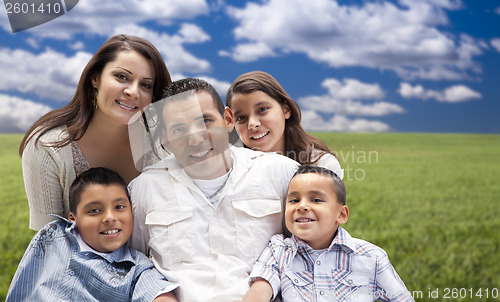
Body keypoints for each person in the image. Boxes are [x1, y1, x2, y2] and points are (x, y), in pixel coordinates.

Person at [128, 78, 299, 302]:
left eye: (205, 121)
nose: (196, 138)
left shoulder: (281, 173)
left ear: (228, 120)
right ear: (165, 137)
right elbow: (134, 264)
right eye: (179, 129)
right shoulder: (144, 188)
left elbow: (311, 249)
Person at [19, 34, 171, 231]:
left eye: (146, 85)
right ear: (95, 78)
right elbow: (48, 245)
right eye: (122, 77)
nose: (134, 92)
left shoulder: (164, 148)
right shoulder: (47, 149)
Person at [240, 165, 414, 302]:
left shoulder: (372, 258)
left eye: (316, 200)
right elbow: (261, 289)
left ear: (341, 214)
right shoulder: (279, 250)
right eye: (294, 200)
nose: (301, 206)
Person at [6, 167, 178, 302]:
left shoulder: (136, 268)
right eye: (94, 210)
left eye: (119, 207)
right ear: (73, 218)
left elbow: (157, 292)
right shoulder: (52, 236)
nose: (110, 218)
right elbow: (23, 282)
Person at [226, 71, 343, 179]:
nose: (253, 124)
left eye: (262, 109)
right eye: (241, 118)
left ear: (286, 110)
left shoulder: (321, 164)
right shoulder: (232, 171)